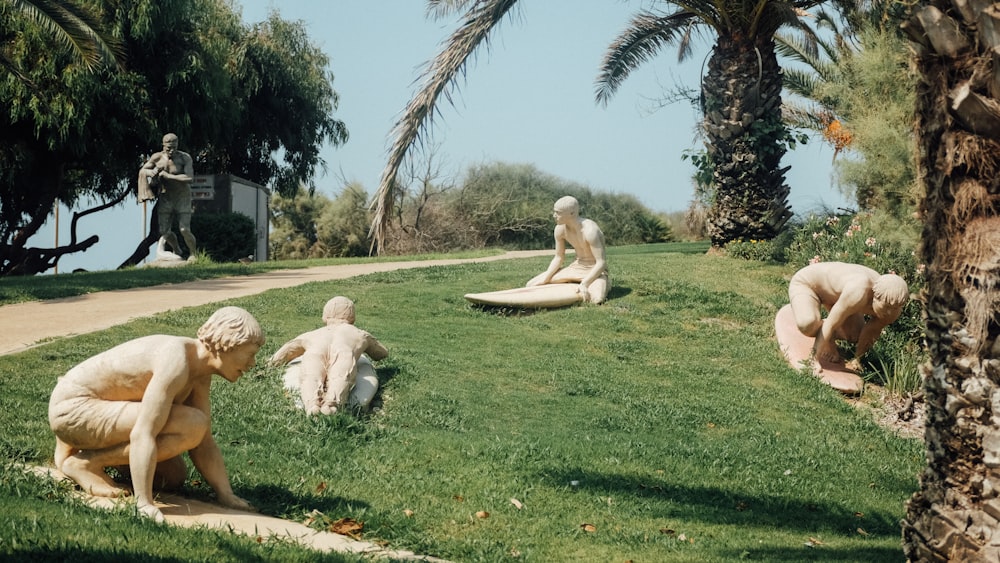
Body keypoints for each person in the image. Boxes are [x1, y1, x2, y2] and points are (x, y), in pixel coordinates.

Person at [48, 306, 265, 523]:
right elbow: (144, 432)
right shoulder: (176, 360)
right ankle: (84, 464)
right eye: (250, 354)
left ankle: (86, 459)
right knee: (193, 424)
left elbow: (204, 442)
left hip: (95, 411)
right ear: (226, 343)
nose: (252, 364)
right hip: (74, 409)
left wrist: (226, 494)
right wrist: (144, 503)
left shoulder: (200, 372)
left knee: (172, 477)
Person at [268, 296, 388, 415]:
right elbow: (381, 354)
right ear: (353, 318)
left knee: (310, 376)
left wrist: (272, 363)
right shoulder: (360, 334)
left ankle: (312, 405)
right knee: (341, 377)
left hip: (315, 353)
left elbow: (286, 351)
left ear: (325, 317)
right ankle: (332, 405)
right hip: (344, 353)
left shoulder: (312, 334)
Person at [788, 261, 909, 371]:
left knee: (854, 335)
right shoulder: (859, 291)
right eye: (886, 307)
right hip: (808, 285)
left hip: (837, 297)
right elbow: (832, 322)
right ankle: (824, 338)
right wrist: (813, 359)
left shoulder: (894, 306)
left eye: (893, 308)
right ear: (875, 296)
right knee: (808, 324)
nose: (889, 313)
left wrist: (857, 359)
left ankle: (826, 334)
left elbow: (871, 331)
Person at [526, 195, 610, 304]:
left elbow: (601, 262)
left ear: (572, 213)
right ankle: (572, 282)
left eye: (558, 213)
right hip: (576, 268)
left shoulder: (590, 230)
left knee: (596, 299)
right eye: (555, 212)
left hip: (596, 270)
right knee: (531, 284)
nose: (554, 215)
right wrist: (546, 277)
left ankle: (604, 282)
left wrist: (585, 283)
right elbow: (559, 257)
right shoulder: (560, 229)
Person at [138, 133, 197, 261]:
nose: (171, 150)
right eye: (168, 148)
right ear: (163, 146)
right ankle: (177, 249)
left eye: (174, 147)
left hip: (182, 197)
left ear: (177, 145)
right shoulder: (157, 157)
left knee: (184, 229)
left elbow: (190, 178)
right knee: (164, 231)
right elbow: (143, 170)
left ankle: (193, 254)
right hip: (166, 196)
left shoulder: (184, 158)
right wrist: (152, 172)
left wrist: (169, 176)